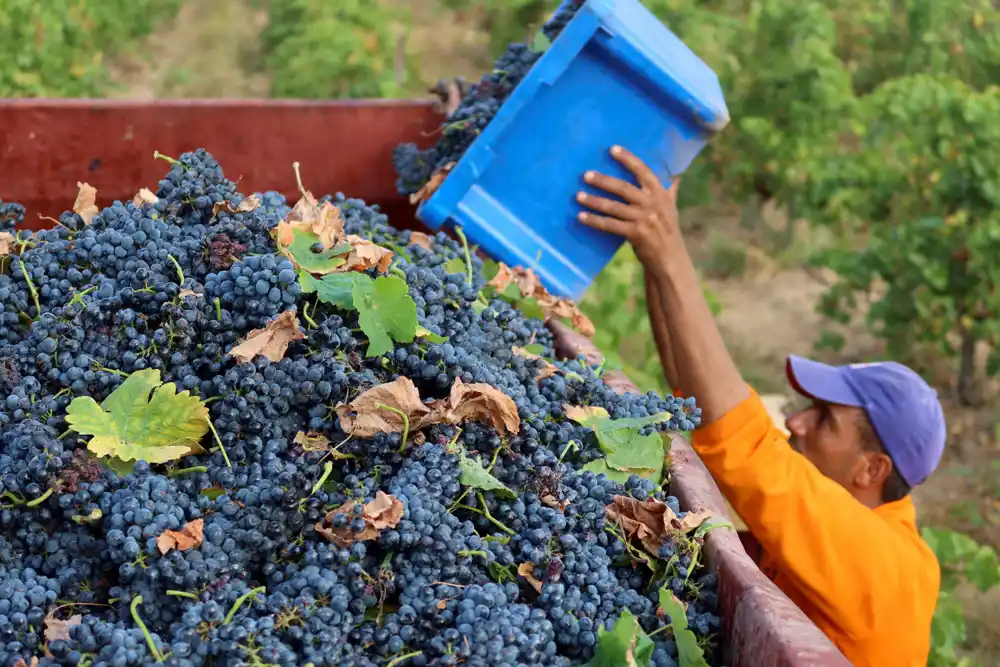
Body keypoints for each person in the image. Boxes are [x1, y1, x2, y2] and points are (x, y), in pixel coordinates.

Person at [575, 146, 944, 667]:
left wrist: (671, 251)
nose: (795, 421)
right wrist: (653, 254)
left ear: (873, 468)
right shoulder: (831, 531)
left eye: (824, 419)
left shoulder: (890, 571)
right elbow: (699, 411)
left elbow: (745, 448)